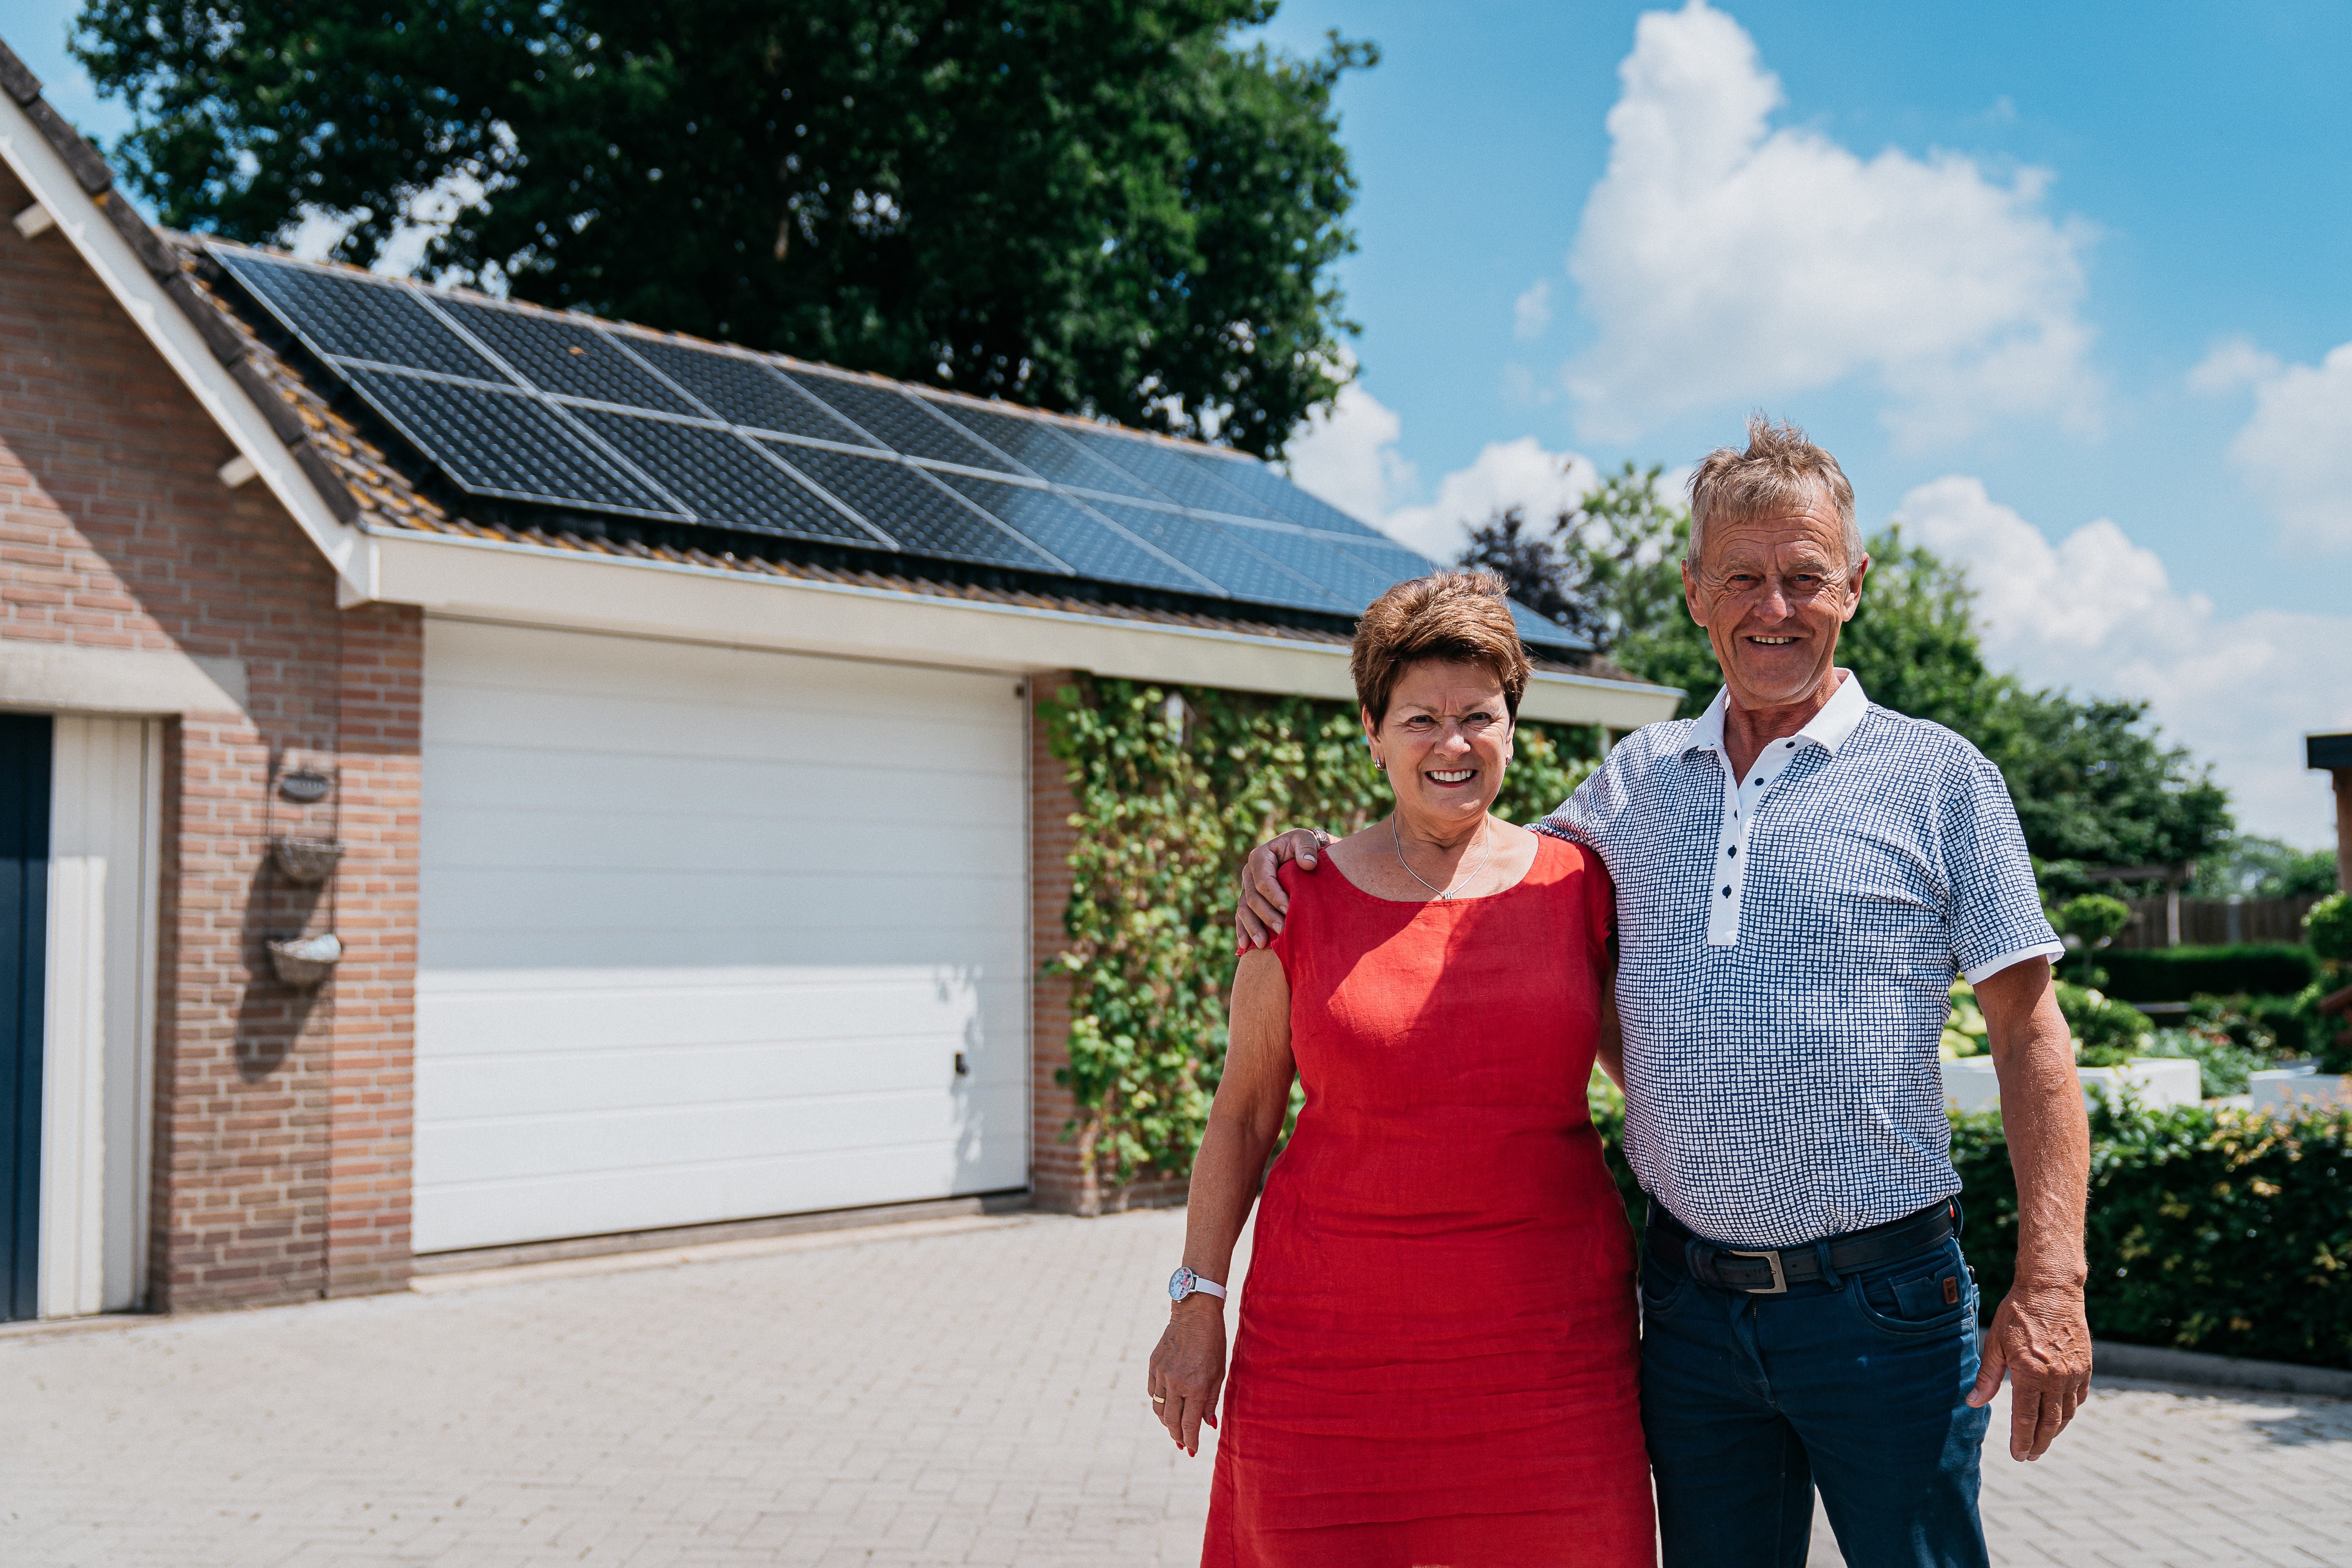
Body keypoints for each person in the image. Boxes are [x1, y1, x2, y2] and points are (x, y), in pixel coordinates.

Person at [1236, 418, 2094, 1568]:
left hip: (1881, 1310)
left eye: (1804, 577)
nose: (1774, 608)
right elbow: (1465, 859)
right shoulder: (1636, 783)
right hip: (1688, 1314)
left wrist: (2053, 1282)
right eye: (1742, 576)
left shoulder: (1942, 779)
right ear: (1696, 591)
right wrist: (1308, 855)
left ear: (1855, 585)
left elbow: (2032, 1037)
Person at [1148, 573, 1654, 1568]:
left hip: (1549, 1362)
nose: (1452, 743)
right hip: (1327, 1364)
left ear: (1515, 728)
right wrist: (1195, 1302)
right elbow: (1243, 1118)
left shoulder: (1580, 884)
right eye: (1421, 716)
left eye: (1480, 715)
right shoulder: (1297, 895)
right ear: (1373, 729)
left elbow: (1664, 1085)